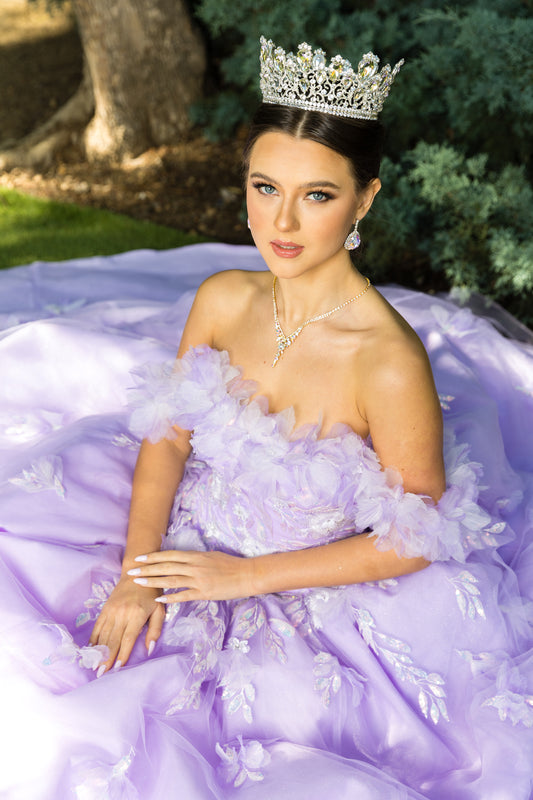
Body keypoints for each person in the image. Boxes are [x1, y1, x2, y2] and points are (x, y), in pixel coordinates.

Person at [1, 37, 533, 800]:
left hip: (311, 593)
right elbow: (167, 439)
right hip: (179, 543)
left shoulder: (386, 361)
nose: (280, 220)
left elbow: (415, 534)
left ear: (365, 199)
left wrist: (244, 577)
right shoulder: (222, 297)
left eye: (316, 195)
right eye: (263, 187)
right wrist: (136, 575)